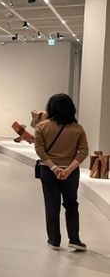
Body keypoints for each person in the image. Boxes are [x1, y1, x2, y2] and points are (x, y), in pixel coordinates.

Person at [35, 93, 89, 251]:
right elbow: (84, 151)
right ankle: (74, 239)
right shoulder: (77, 128)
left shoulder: (42, 127)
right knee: (71, 204)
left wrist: (54, 167)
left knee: (52, 205)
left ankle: (54, 240)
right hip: (71, 173)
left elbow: (39, 149)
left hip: (48, 171)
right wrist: (69, 169)